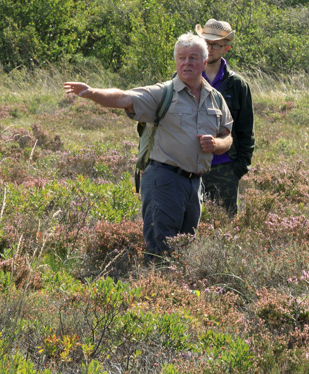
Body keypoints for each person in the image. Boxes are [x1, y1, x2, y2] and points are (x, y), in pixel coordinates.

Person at [63, 34, 233, 256]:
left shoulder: (216, 98)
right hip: (164, 180)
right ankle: (155, 285)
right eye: (181, 57)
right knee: (159, 249)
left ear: (204, 61)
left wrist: (217, 144)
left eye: (193, 58)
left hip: (195, 185)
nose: (186, 63)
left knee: (185, 249)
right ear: (175, 61)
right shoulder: (163, 93)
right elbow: (124, 97)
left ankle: (175, 289)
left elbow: (227, 136)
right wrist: (93, 93)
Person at [195, 19, 254, 215]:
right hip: (188, 166)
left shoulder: (237, 84)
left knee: (225, 225)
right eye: (205, 43)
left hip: (225, 168)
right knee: (186, 226)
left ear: (226, 48)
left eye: (215, 45)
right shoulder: (183, 78)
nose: (209, 48)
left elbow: (246, 130)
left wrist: (238, 168)